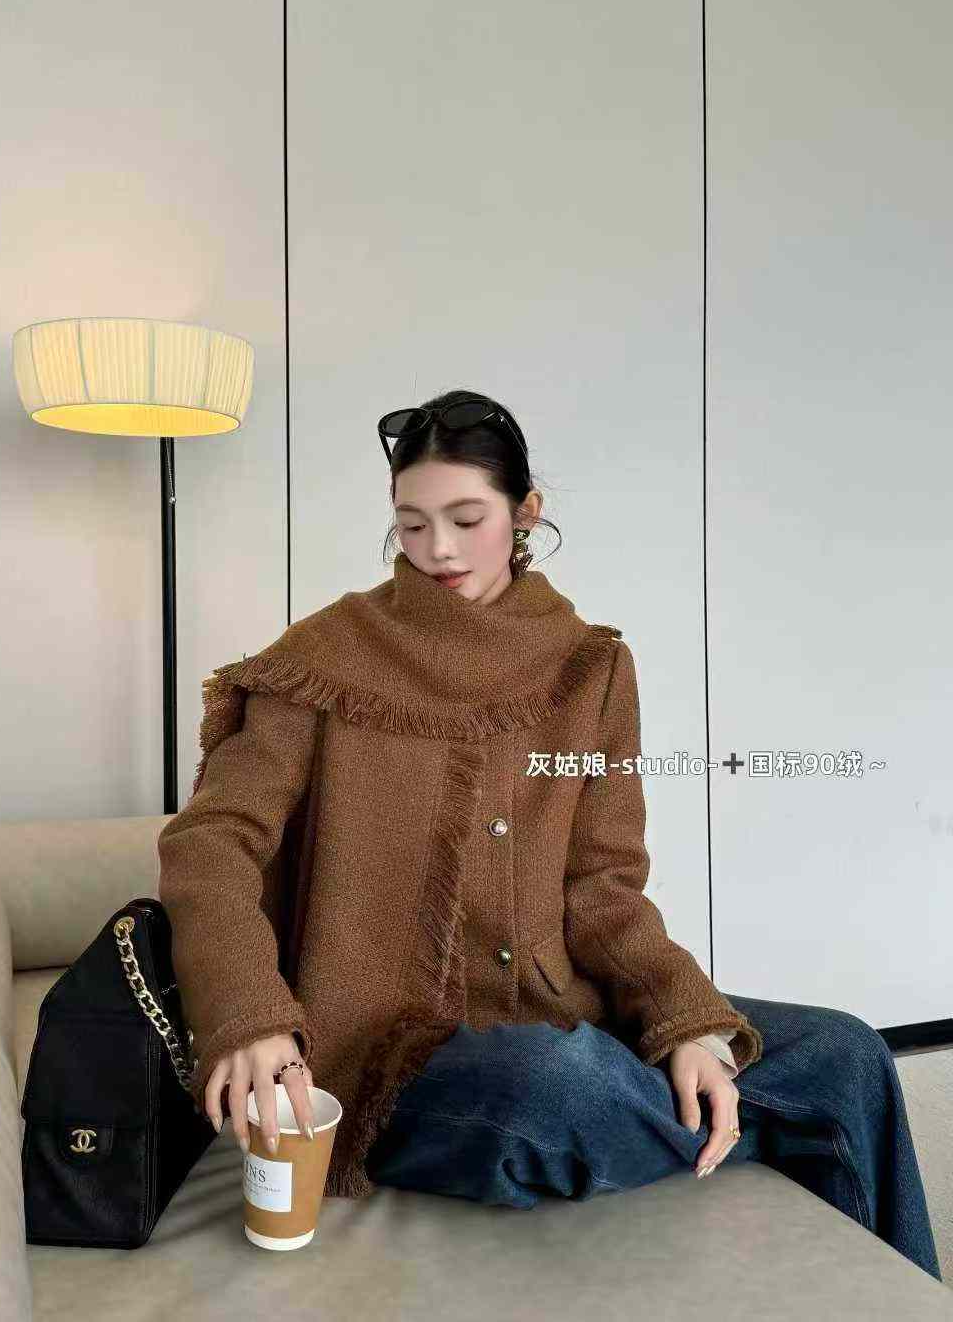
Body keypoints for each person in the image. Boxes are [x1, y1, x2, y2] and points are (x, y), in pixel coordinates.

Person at [156, 389, 941, 1281]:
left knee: (846, 1054)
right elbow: (211, 843)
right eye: (411, 524)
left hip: (560, 1012)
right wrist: (249, 1017)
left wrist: (684, 1024)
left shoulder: (590, 668)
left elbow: (603, 885)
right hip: (394, 1059)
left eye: (466, 520)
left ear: (525, 511)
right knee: (561, 1084)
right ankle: (739, 1124)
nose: (438, 548)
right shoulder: (324, 662)